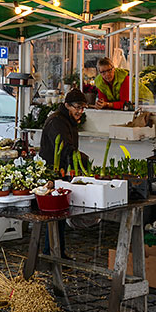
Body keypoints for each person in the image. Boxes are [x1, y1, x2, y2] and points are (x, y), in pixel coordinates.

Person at [38, 89, 89, 258]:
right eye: (78, 107)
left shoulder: (68, 120)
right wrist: (83, 162)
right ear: (67, 105)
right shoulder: (57, 122)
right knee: (54, 212)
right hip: (51, 171)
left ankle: (56, 250)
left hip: (60, 170)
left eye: (83, 108)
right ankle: (50, 251)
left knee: (59, 212)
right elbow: (67, 149)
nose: (80, 111)